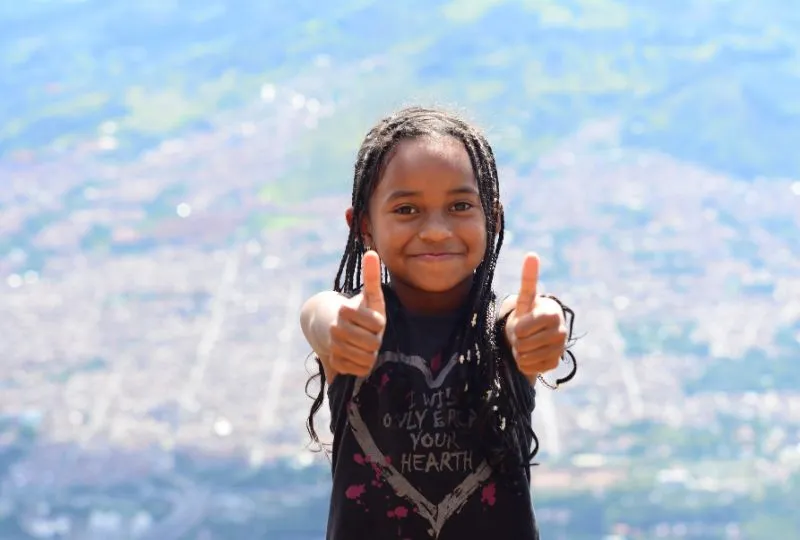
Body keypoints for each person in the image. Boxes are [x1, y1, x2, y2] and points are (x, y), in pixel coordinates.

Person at [300, 106, 577, 539]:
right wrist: (335, 327)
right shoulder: (355, 325)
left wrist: (540, 326)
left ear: (494, 219)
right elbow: (319, 314)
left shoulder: (503, 330)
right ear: (364, 227)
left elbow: (523, 319)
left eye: (460, 205)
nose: (434, 230)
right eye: (407, 209)